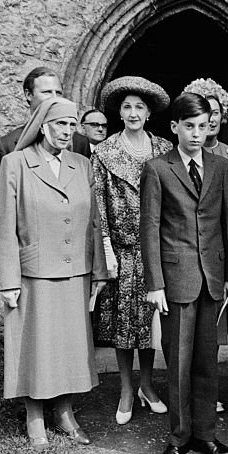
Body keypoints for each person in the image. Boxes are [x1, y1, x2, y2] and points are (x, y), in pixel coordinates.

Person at [0, 96, 108, 449]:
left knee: (69, 346)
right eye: (60, 124)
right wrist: (9, 281)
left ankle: (64, 412)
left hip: (75, 270)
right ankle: (34, 415)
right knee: (37, 345)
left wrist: (99, 271)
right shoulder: (16, 164)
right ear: (43, 125)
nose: (67, 131)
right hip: (34, 271)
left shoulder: (81, 165)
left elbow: (93, 221)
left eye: (72, 125)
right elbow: (5, 226)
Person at [140, 92, 228, 454]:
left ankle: (206, 435)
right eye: (189, 126)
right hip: (176, 279)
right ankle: (178, 438)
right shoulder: (158, 168)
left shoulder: (219, 165)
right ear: (174, 128)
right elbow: (149, 227)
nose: (197, 134)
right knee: (179, 362)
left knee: (207, 361)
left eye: (203, 126)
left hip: (213, 278)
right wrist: (155, 283)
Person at [91, 77, 172, 426]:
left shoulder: (165, 149)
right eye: (127, 106)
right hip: (122, 252)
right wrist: (107, 249)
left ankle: (147, 385)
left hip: (156, 251)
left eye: (140, 106)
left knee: (150, 324)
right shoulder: (105, 152)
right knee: (124, 326)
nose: (133, 112)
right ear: (119, 112)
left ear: (149, 111)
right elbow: (98, 205)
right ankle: (126, 388)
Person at [183, 78, 228, 363]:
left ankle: (210, 387)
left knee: (217, 327)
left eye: (215, 112)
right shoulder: (182, 157)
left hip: (224, 252)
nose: (210, 119)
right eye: (203, 111)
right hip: (191, 251)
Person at [0, 67, 92, 217]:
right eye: (47, 92)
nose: (54, 97)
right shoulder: (7, 146)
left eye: (58, 92)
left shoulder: (80, 143)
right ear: (29, 95)